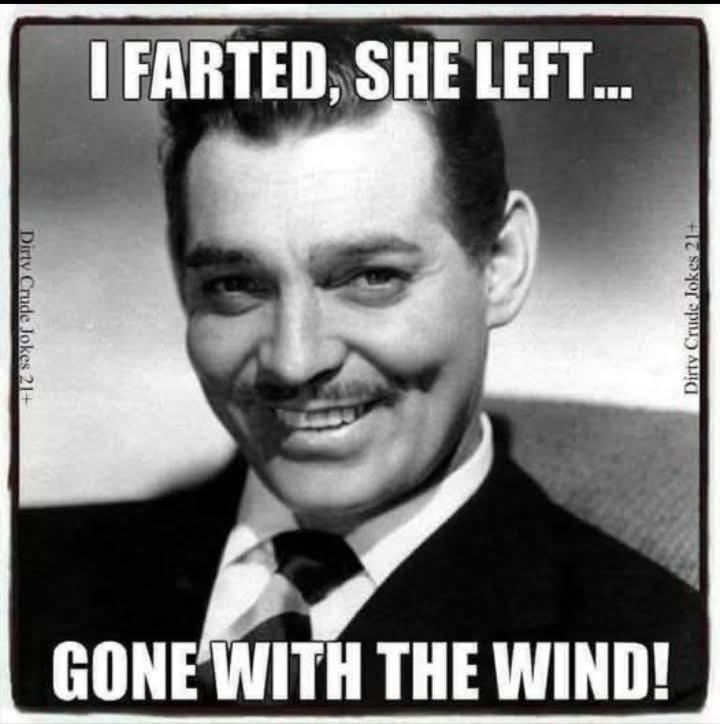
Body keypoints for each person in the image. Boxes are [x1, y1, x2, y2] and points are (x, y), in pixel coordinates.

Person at [15, 23, 704, 710]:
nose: (294, 359)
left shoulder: (656, 659)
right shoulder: (21, 579)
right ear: (182, 280)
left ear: (500, 265)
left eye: (372, 277)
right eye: (235, 284)